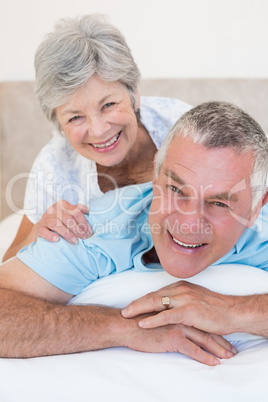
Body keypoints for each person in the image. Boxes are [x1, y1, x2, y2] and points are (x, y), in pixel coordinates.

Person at [0, 101, 267, 366]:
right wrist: (122, 328)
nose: (189, 223)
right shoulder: (94, 228)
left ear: (256, 207)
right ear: (155, 174)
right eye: (175, 189)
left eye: (219, 203)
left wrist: (232, 311)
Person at [2, 14, 190, 262]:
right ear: (59, 123)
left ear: (134, 94)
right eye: (75, 117)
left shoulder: (186, 128)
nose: (99, 130)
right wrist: (38, 233)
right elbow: (8, 267)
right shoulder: (54, 165)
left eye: (109, 104)